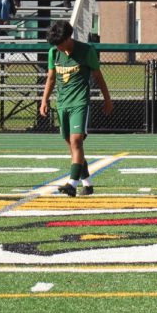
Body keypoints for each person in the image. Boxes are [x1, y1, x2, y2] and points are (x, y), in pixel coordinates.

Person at [38, 20, 113, 197]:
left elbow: (98, 76)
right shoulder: (53, 53)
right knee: (71, 145)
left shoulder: (87, 51)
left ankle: (72, 183)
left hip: (80, 102)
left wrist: (107, 99)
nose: (57, 47)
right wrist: (44, 101)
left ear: (68, 37)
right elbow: (51, 78)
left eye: (60, 43)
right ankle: (87, 184)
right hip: (62, 103)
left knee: (77, 141)